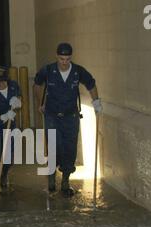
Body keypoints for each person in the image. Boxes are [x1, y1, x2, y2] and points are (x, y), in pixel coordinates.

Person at [34, 42, 103, 197]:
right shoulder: (48, 70)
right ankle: (51, 177)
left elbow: (91, 84)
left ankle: (65, 180)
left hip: (71, 116)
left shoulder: (78, 71)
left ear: (70, 57)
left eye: (67, 59)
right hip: (52, 115)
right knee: (54, 145)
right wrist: (40, 103)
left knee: (70, 148)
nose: (64, 62)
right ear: (56, 56)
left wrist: (96, 102)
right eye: (61, 59)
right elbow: (37, 84)